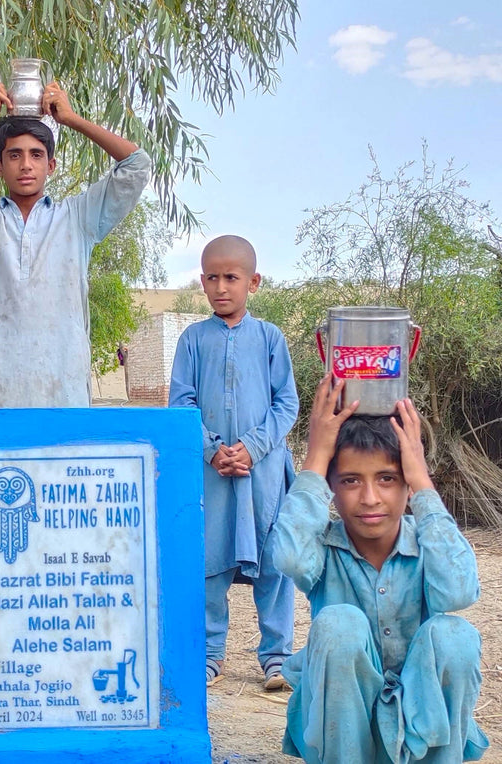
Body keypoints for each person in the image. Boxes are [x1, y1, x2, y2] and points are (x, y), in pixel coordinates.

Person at [271, 375, 489, 763]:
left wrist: (422, 480)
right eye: (351, 480)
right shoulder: (322, 548)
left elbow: (458, 591)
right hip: (342, 731)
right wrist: (315, 458)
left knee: (455, 635)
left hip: (421, 726)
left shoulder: (426, 543)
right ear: (331, 488)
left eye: (387, 479)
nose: (370, 498)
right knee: (339, 623)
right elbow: (287, 557)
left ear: (406, 485)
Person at [0, 79, 151, 408]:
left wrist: (72, 120)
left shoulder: (78, 219)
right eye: (14, 155)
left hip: (61, 398)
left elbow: (137, 166)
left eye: (36, 155)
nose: (26, 164)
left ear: (51, 166)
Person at [168, 235, 299, 690]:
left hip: (263, 475)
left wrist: (253, 447)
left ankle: (277, 657)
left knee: (275, 565)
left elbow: (287, 403)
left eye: (232, 277)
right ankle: (208, 654)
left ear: (253, 282)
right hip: (213, 475)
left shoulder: (270, 338)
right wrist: (212, 449)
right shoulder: (192, 340)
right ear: (201, 281)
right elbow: (180, 403)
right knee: (209, 563)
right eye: (212, 277)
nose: (221, 286)